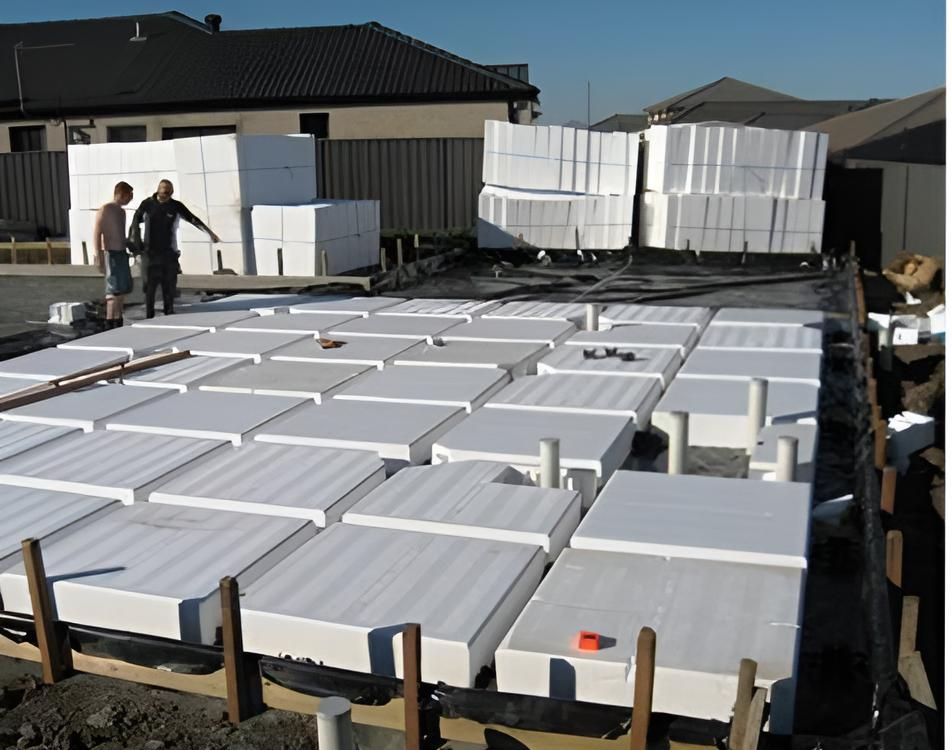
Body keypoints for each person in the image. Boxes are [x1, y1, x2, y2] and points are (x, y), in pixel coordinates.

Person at [129, 179, 220, 317]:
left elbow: (193, 219)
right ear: (158, 190)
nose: (165, 193)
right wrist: (136, 247)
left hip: (168, 253)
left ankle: (169, 312)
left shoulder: (175, 206)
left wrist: (210, 233)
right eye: (163, 189)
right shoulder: (147, 204)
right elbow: (135, 223)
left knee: (169, 287)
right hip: (150, 253)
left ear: (171, 192)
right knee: (149, 288)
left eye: (168, 191)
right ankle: (149, 315)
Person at [92, 181, 135, 328]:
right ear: (122, 194)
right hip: (111, 253)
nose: (130, 199)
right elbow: (97, 234)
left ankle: (118, 318)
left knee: (122, 289)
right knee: (113, 290)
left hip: (122, 253)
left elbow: (121, 234)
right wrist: (98, 256)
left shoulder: (121, 212)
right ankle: (110, 321)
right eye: (129, 196)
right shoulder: (105, 209)